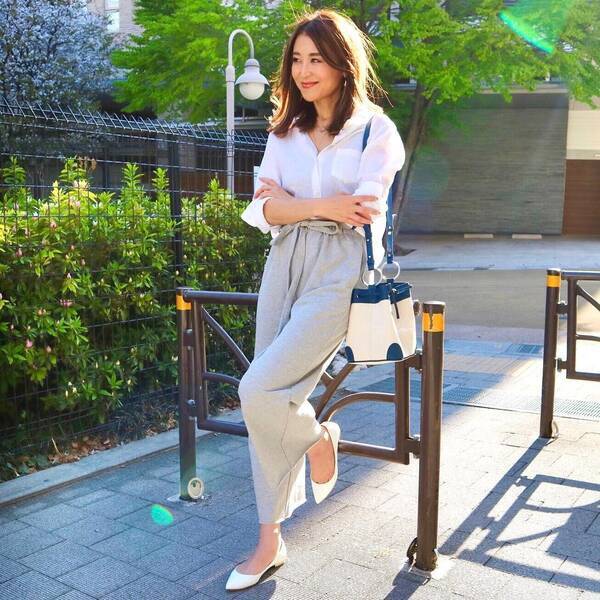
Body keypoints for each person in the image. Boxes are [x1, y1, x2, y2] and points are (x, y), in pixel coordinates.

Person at [226, 8, 405, 591]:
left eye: (317, 59)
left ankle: (314, 439)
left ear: (343, 64)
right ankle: (270, 537)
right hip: (283, 262)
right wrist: (319, 206)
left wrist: (297, 205)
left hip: (338, 268)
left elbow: (363, 209)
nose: (304, 70)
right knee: (266, 401)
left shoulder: (376, 130)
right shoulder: (285, 132)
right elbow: (262, 210)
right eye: (297, 59)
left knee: (258, 389)